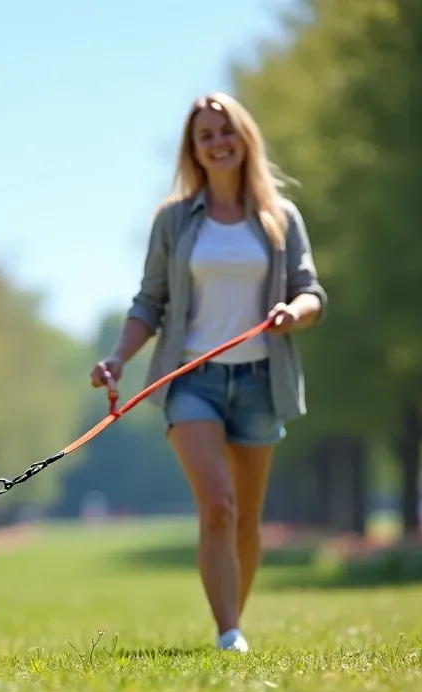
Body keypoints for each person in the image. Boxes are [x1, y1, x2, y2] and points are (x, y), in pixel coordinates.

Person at [89, 92, 327, 653]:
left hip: (260, 382)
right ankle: (229, 633)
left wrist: (293, 313)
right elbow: (150, 300)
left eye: (226, 132)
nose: (218, 143)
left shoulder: (279, 218)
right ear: (193, 150)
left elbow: (311, 291)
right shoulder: (173, 221)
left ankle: (230, 620)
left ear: (244, 138)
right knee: (217, 505)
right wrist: (119, 357)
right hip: (191, 379)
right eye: (206, 136)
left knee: (246, 521)